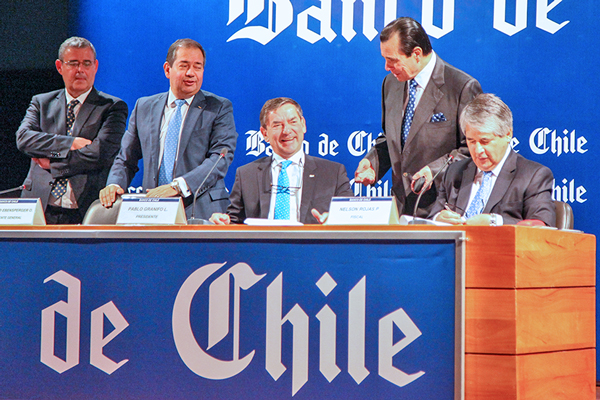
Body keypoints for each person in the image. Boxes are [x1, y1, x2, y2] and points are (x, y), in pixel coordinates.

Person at [354, 17, 482, 217]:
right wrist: (373, 163)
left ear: (416, 54)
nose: (387, 67)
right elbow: (392, 138)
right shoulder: (391, 84)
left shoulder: (461, 87)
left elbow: (473, 149)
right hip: (399, 210)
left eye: (393, 60)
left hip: (442, 209)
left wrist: (436, 170)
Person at [99, 38, 237, 219]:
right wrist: (115, 184)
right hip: (152, 210)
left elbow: (220, 157)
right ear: (167, 69)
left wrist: (177, 187)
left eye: (198, 66)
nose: (191, 73)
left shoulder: (218, 107)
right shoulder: (144, 106)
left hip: (201, 210)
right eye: (184, 65)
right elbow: (126, 157)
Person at [16, 37, 128, 224]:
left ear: (95, 66)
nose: (80, 70)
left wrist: (53, 164)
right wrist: (70, 143)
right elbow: (24, 139)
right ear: (60, 67)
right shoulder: (41, 102)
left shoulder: (112, 107)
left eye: (86, 63)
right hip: (39, 208)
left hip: (86, 209)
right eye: (73, 64)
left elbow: (99, 153)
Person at [210, 97, 353, 225]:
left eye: (293, 122)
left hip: (313, 251)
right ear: (265, 133)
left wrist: (334, 220)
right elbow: (235, 221)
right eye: (277, 125)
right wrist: (225, 222)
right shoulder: (247, 174)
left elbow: (350, 217)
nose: (287, 131)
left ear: (303, 125)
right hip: (262, 250)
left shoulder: (333, 173)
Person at [429, 93, 556, 227]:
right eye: (471, 141)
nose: (477, 150)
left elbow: (541, 226)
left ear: (508, 134)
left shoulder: (533, 176)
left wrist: (495, 222)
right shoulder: (454, 172)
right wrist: (438, 219)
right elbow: (432, 218)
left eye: (485, 141)